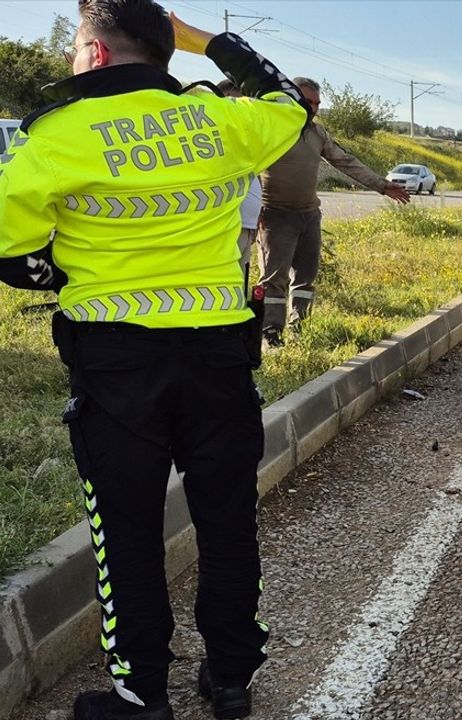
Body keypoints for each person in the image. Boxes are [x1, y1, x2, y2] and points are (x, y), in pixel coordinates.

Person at [0, 4, 310, 718]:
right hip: (220, 358)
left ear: (97, 56)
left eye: (79, 47)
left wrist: (65, 276)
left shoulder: (56, 135)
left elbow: (12, 252)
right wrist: (204, 40)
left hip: (116, 365)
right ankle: (232, 678)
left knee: (128, 530)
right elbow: (287, 100)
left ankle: (142, 698)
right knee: (228, 520)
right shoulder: (222, 122)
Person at [256, 77, 410, 347]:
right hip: (276, 216)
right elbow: (246, 168)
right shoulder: (268, 128)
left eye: (316, 103)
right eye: (308, 101)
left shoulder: (317, 134)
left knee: (305, 278)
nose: (312, 107)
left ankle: (299, 327)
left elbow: (345, 161)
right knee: (274, 281)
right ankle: (271, 333)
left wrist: (382, 185)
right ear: (290, 97)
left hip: (308, 216)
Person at [216, 78, 262, 285]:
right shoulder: (215, 139)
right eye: (232, 103)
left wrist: (255, 219)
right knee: (223, 281)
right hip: (227, 226)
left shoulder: (245, 138)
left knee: (238, 282)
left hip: (246, 224)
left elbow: (255, 177)